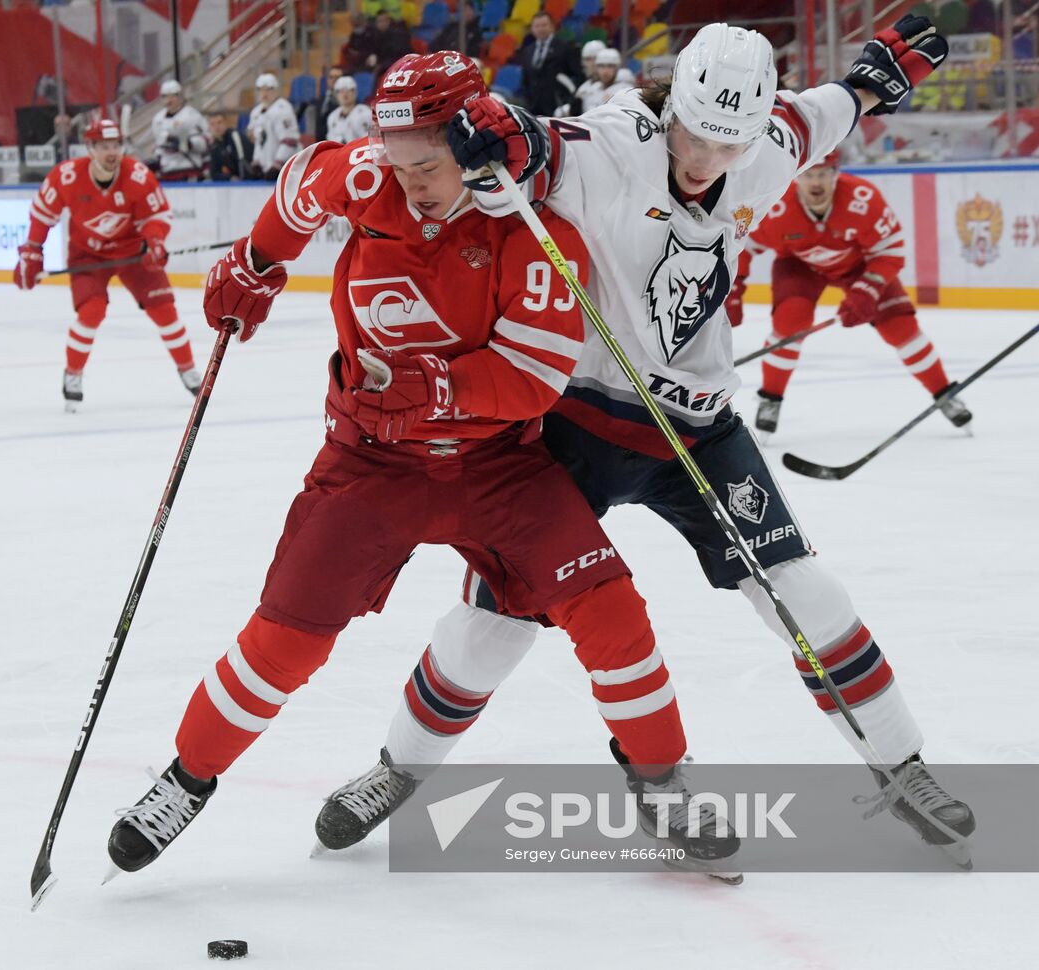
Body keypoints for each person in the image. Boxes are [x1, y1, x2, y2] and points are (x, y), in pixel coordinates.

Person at [316, 19, 976, 866]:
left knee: (803, 592)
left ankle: (903, 768)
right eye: (695, 134)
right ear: (675, 105)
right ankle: (397, 768)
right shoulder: (614, 144)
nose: (705, 160)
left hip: (699, 434)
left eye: (728, 146)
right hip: (580, 429)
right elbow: (538, 145)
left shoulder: (760, 145)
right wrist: (499, 132)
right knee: (500, 619)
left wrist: (873, 83)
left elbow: (823, 113)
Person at [106, 51, 739, 881]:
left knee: (612, 611)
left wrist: (431, 386)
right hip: (371, 464)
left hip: (498, 466)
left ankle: (663, 783)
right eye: (398, 165)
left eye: (429, 166)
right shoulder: (371, 177)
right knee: (286, 641)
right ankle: (185, 780)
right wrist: (258, 263)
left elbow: (532, 380)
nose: (410, 185)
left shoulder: (532, 225)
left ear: (474, 145)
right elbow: (302, 184)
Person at [732, 151, 972, 434]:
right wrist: (733, 291)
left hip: (860, 266)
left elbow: (890, 250)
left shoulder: (862, 198)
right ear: (796, 177)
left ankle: (945, 393)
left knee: (901, 329)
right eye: (808, 175)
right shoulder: (777, 204)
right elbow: (742, 245)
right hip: (799, 266)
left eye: (823, 174)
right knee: (789, 322)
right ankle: (770, 398)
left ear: (836, 174)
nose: (816, 182)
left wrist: (866, 290)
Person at [13, 118, 201, 409]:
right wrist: (32, 251)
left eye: (116, 145)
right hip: (88, 255)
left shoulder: (137, 176)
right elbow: (42, 214)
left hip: (132, 253)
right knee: (92, 311)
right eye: (103, 146)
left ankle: (188, 370)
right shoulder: (66, 177)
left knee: (164, 309)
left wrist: (155, 242)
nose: (111, 152)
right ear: (89, 148)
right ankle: (73, 374)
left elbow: (157, 217)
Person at [518, 12, 580, 117]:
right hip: (534, 106)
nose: (540, 29)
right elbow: (526, 79)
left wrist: (570, 102)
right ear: (532, 29)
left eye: (544, 25)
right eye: (537, 26)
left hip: (558, 105)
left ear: (552, 27)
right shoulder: (528, 50)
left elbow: (577, 75)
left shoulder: (565, 47)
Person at [151, 79, 209, 181]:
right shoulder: (158, 119)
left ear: (180, 97)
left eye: (172, 96)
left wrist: (188, 143)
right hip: (167, 171)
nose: (168, 100)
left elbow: (205, 142)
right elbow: (158, 147)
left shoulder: (192, 115)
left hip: (189, 168)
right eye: (165, 97)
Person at [247, 73, 300, 180]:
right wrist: (257, 162)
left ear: (275, 90)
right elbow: (260, 141)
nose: (264, 93)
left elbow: (289, 141)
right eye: (261, 90)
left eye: (268, 90)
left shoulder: (283, 109)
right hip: (267, 168)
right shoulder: (256, 112)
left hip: (286, 169)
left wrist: (278, 164)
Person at [325, 76, 373, 145]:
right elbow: (331, 141)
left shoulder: (365, 113)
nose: (345, 94)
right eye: (341, 91)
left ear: (355, 92)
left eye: (348, 90)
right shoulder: (332, 117)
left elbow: (368, 140)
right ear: (336, 95)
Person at [206, 111, 252, 181]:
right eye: (212, 124)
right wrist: (229, 178)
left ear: (226, 123)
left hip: (247, 183)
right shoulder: (214, 145)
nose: (216, 127)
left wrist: (242, 181)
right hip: (229, 185)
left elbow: (245, 161)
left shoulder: (235, 136)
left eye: (219, 122)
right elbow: (214, 173)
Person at [369, 11, 414, 77]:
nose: (382, 23)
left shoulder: (397, 34)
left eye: (384, 20)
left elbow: (399, 56)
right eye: (379, 21)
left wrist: (380, 66)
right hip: (386, 65)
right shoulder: (377, 35)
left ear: (388, 21)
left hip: (401, 65)